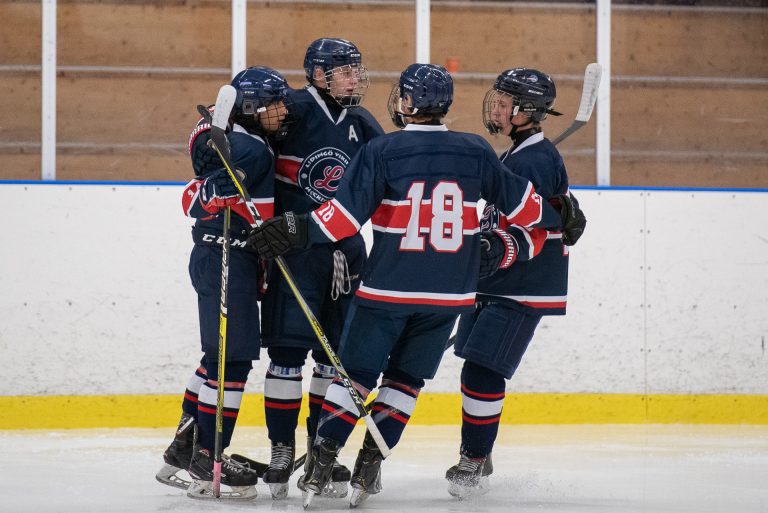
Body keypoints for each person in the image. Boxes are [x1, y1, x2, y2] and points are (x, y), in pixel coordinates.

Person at [246, 63, 569, 508]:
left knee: (356, 376)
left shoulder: (383, 150)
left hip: (389, 289)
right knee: (405, 380)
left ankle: (322, 461)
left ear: (409, 104)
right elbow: (534, 212)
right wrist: (563, 211)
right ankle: (370, 464)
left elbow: (340, 220)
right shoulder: (477, 151)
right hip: (451, 296)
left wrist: (293, 229)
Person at [444, 68, 584, 498]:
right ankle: (478, 451)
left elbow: (536, 231)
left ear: (527, 112)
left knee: (483, 370)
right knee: (473, 365)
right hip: (499, 282)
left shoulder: (535, 158)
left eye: (506, 103)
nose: (497, 108)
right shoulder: (519, 155)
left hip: (521, 285)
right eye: (499, 101)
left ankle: (474, 459)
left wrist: (494, 250)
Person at [155, 66, 292, 500]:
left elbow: (205, 129)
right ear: (250, 109)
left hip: (224, 257)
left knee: (216, 356)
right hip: (224, 255)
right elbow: (192, 199)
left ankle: (183, 449)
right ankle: (207, 459)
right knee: (231, 361)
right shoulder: (248, 149)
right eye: (274, 104)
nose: (283, 110)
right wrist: (219, 194)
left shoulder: (231, 130)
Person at [258, 37, 385, 500]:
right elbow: (234, 124)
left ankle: (318, 452)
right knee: (287, 356)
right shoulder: (288, 107)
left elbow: (399, 172)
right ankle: (278, 451)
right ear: (317, 74)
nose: (355, 79)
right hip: (295, 252)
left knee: (334, 361)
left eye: (356, 70)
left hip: (347, 257)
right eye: (345, 71)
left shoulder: (363, 123)